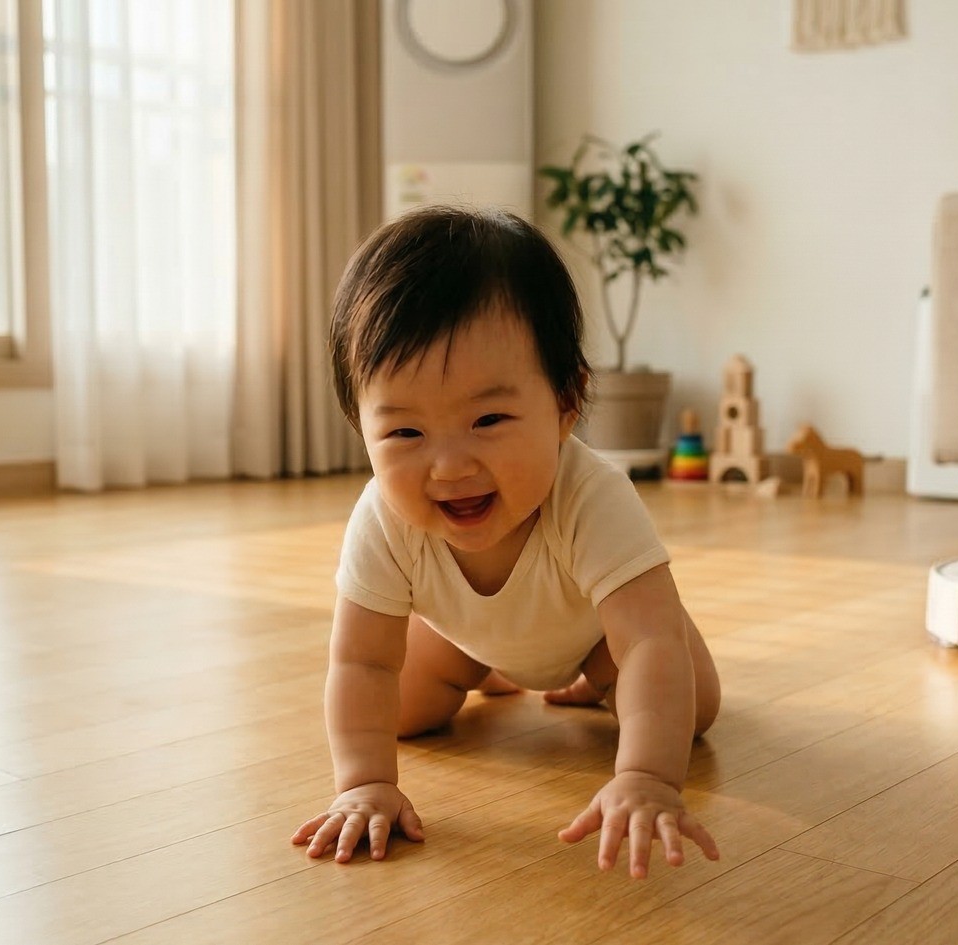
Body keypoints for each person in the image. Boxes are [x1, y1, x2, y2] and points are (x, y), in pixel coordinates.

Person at [289, 205, 722, 879]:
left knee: (689, 704)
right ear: (360, 426)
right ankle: (493, 667)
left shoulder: (593, 496)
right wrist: (365, 783)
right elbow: (361, 662)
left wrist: (646, 777)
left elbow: (646, 643)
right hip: (463, 637)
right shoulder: (382, 518)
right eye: (405, 433)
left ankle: (591, 677)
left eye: (488, 419)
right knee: (397, 710)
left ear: (566, 402)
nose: (449, 467)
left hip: (600, 634)